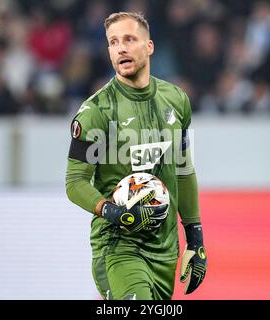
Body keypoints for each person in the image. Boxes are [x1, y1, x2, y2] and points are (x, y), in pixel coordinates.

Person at [66, 12, 207, 300]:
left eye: (129, 39)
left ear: (149, 46)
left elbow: (183, 171)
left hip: (165, 249)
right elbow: (74, 182)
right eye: (113, 42)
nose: (121, 48)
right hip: (118, 246)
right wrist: (112, 211)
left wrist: (195, 238)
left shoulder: (177, 101)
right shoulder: (96, 112)